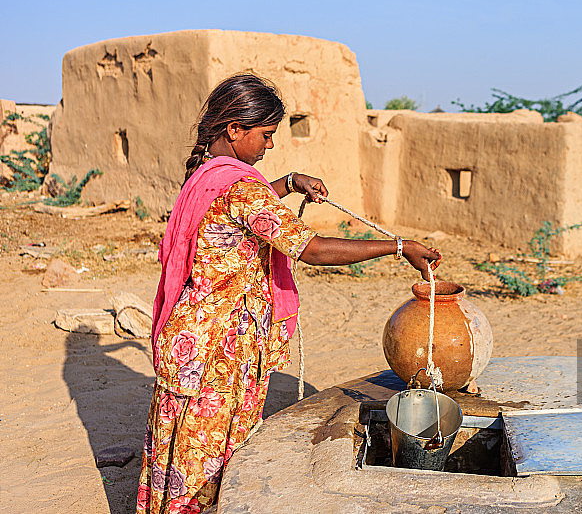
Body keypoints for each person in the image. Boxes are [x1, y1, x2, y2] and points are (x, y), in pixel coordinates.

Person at [136, 73, 441, 513]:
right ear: (234, 130)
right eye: (266, 134)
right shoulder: (239, 187)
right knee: (206, 453)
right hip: (218, 350)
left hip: (195, 337)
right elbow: (311, 249)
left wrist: (289, 183)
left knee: (185, 444)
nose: (270, 145)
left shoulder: (210, 176)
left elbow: (246, 209)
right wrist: (399, 246)